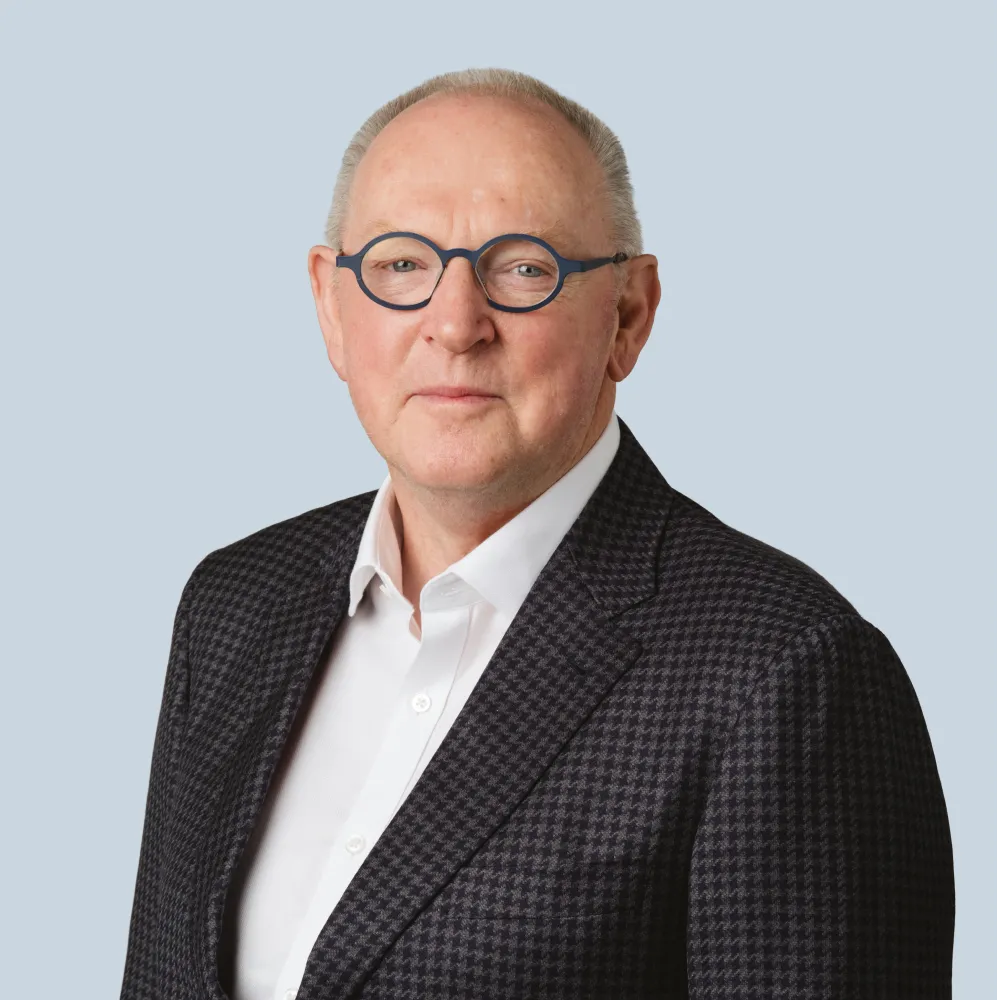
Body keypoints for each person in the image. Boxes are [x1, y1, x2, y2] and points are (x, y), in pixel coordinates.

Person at [119, 68, 954, 1000]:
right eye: (402, 264)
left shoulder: (785, 674)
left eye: (523, 267)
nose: (454, 324)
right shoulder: (234, 604)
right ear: (331, 305)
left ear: (628, 315)